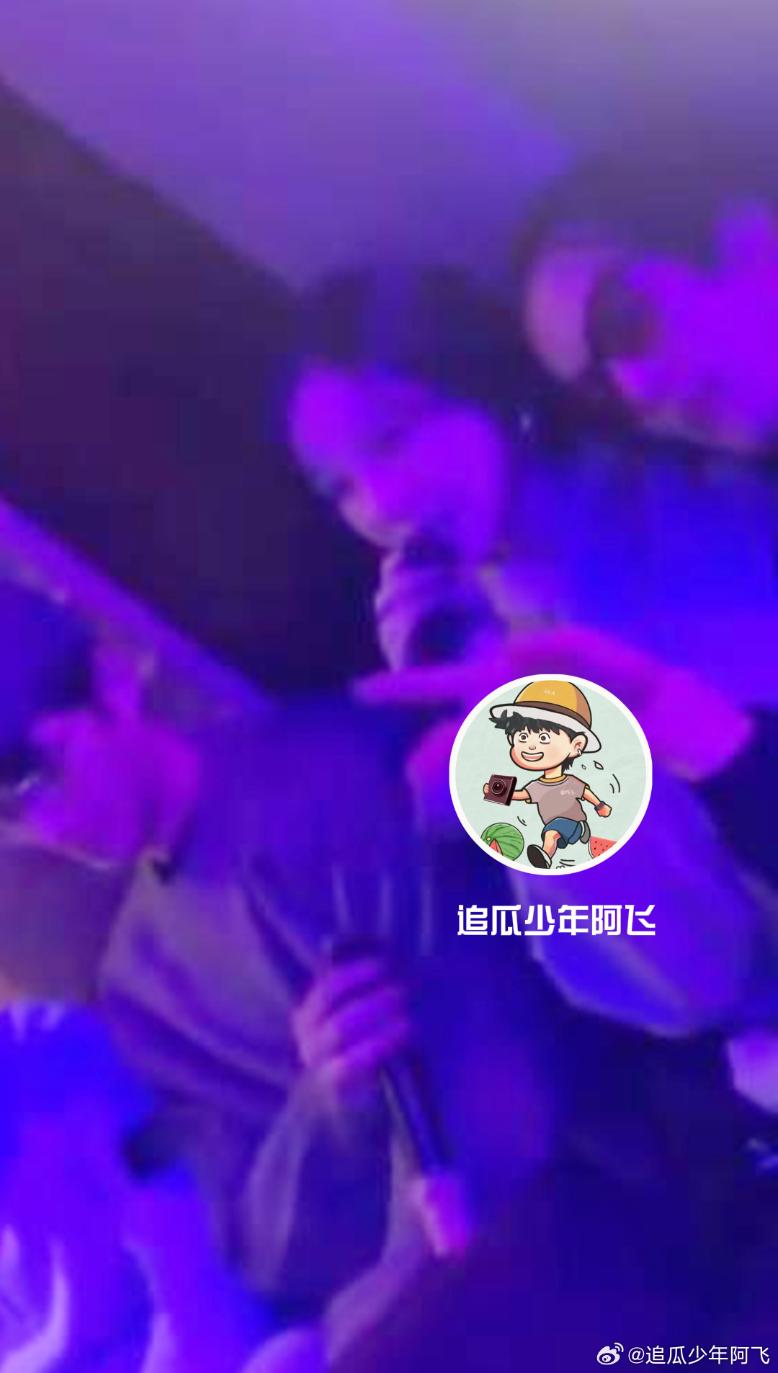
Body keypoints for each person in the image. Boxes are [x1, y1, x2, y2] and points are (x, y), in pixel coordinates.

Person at [0, 578, 561, 1364]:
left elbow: (588, 938)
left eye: (40, 770)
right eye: (9, 814)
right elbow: (271, 1260)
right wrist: (326, 1103)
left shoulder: (355, 752)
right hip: (417, 1309)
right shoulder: (143, 991)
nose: (47, 821)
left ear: (113, 681)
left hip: (570, 1191)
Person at [284, 262, 766, 1039]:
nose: (383, 501)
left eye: (396, 435)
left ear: (475, 385)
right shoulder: (469, 657)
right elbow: (677, 982)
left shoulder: (680, 502)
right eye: (340, 486)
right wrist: (508, 733)